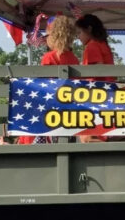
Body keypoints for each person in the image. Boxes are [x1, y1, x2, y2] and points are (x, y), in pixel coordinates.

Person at [16, 16, 80, 145]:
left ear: (53, 36)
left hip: (51, 109)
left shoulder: (49, 57)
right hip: (70, 108)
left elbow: (43, 86)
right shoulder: (74, 58)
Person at [75, 14, 115, 142]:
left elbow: (97, 71)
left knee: (87, 137)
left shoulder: (92, 46)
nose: (78, 36)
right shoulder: (103, 44)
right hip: (109, 96)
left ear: (89, 29)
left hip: (96, 97)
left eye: (80, 32)